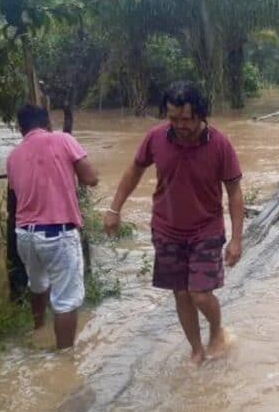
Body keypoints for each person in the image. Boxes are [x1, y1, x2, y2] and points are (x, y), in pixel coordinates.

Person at [103, 81, 244, 366]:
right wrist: (113, 208)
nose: (180, 125)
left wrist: (237, 238)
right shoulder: (156, 138)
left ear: (200, 114)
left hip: (206, 228)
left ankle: (216, 332)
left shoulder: (219, 144)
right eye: (173, 118)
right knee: (180, 293)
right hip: (167, 229)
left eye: (186, 119)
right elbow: (134, 171)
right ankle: (196, 350)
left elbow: (234, 191)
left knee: (200, 294)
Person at [7, 104, 99, 349]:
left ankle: (38, 331)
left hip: (24, 235)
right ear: (47, 123)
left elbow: (16, 196)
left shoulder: (13, 156)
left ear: (20, 129)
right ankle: (65, 359)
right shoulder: (63, 139)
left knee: (37, 285)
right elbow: (91, 178)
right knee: (66, 301)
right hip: (57, 233)